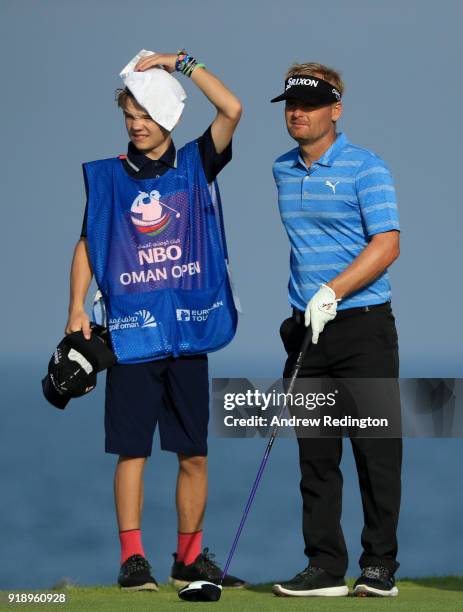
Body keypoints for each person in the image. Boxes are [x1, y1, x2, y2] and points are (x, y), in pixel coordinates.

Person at [65, 50, 246, 591]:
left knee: (194, 452)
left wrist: (181, 63)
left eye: (145, 114)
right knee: (133, 450)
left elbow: (232, 107)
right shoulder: (110, 178)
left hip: (189, 332)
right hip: (132, 333)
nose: (136, 125)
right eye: (129, 116)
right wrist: (76, 306)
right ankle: (132, 559)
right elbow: (86, 244)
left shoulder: (196, 163)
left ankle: (187, 559)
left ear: (166, 116)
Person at [270, 63, 402, 597]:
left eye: (308, 104)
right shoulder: (281, 168)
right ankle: (325, 567)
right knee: (316, 457)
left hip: (363, 327)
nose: (296, 113)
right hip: (308, 331)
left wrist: (333, 292)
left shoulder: (366, 168)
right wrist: (308, 309)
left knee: (376, 451)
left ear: (335, 110)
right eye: (290, 105)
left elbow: (387, 244)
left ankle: (379, 567)